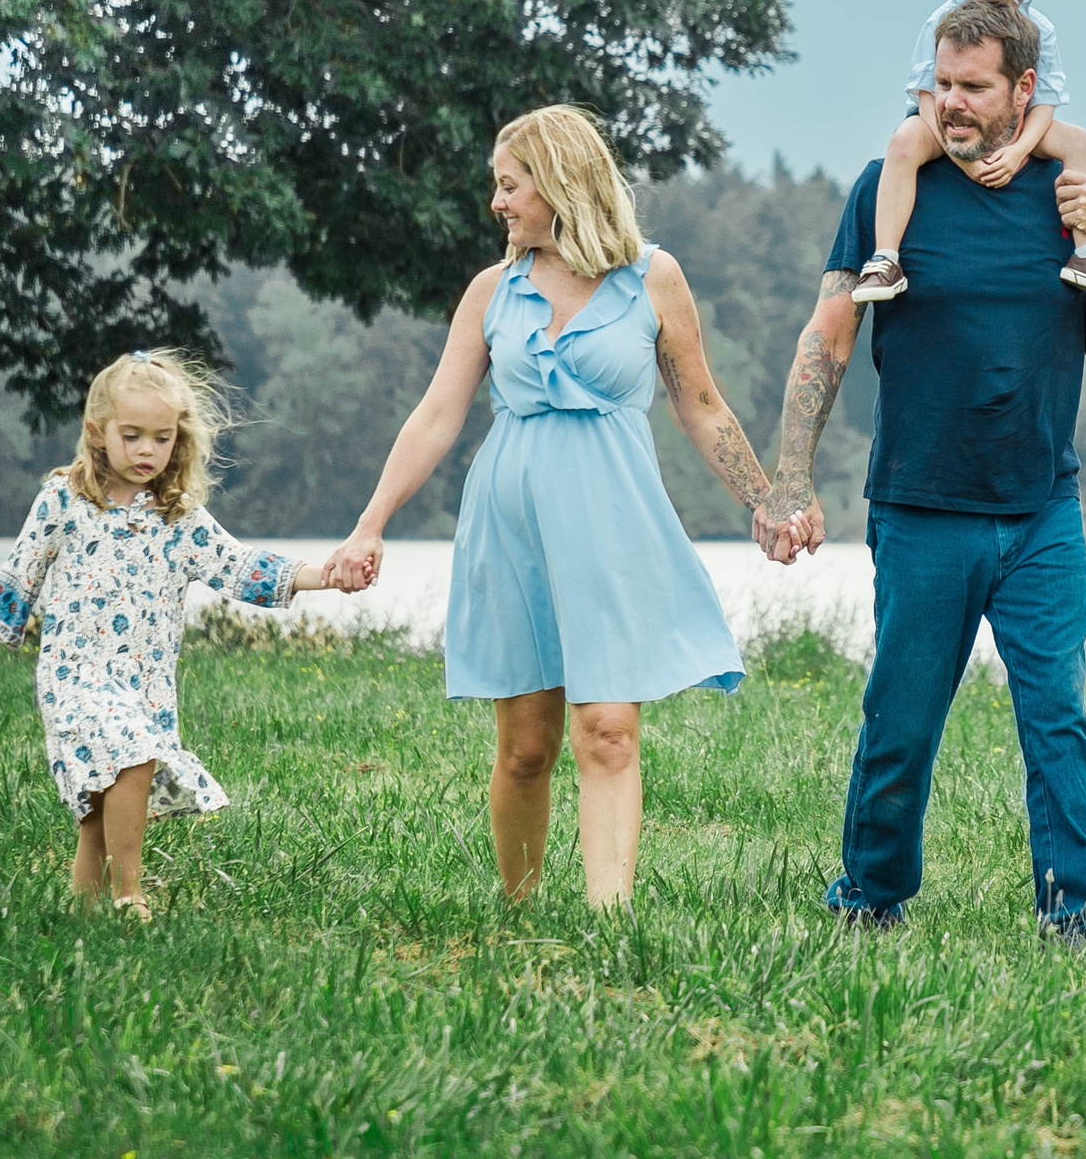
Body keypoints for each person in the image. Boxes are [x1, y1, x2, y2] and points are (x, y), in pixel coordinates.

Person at [758, 0, 1086, 939]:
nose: (951, 103)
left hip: (1041, 507)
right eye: (941, 83)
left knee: (1057, 715)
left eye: (973, 87)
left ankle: (1076, 912)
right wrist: (788, 480)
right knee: (901, 718)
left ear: (1025, 89)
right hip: (922, 502)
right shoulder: (888, 188)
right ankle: (871, 896)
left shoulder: (1067, 193)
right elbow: (830, 335)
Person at [323, 105, 775, 908]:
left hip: (613, 520)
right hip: (511, 522)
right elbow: (437, 414)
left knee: (607, 728)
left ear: (561, 181)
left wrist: (766, 502)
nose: (497, 203)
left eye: (509, 184)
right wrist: (371, 522)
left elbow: (701, 404)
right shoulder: (493, 290)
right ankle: (519, 907)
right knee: (527, 745)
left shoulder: (652, 277)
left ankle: (610, 923)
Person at [0, 350, 341, 922]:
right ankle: (129, 895)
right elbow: (19, 578)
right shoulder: (64, 500)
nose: (146, 451)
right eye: (131, 436)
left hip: (143, 686)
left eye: (160, 438)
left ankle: (85, 919)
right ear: (96, 431)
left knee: (99, 809)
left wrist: (320, 576)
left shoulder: (178, 517)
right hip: (73, 676)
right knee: (132, 758)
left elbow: (240, 567)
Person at [851, 0, 1086, 306]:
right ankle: (885, 258)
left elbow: (1045, 99)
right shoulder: (940, 21)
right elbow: (928, 94)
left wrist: (1018, 150)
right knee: (903, 142)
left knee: (1078, 141)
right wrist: (963, 159)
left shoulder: (1041, 29)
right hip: (942, 124)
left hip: (1016, 124)